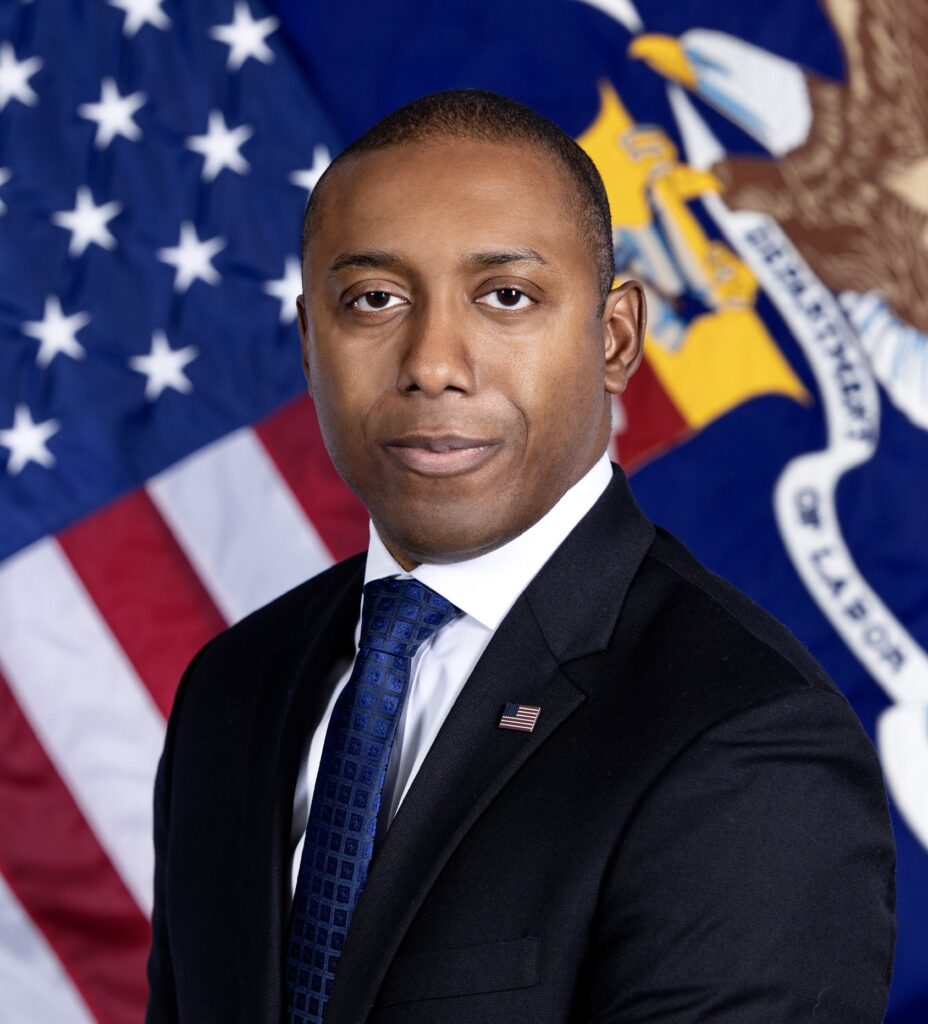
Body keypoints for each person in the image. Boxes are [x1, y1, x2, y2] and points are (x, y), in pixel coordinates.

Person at [146, 89, 896, 1024]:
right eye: (374, 300)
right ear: (310, 342)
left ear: (616, 337)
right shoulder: (234, 687)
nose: (433, 362)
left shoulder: (745, 741)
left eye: (506, 296)